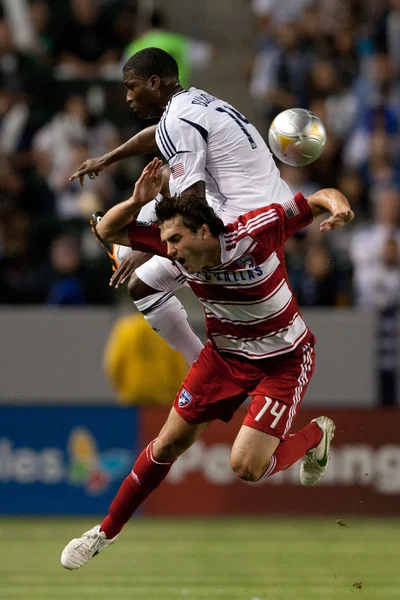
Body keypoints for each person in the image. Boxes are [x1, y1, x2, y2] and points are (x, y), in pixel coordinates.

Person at [61, 158, 354, 570]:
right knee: (167, 444)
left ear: (203, 230)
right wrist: (136, 199)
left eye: (177, 240)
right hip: (223, 358)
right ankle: (104, 531)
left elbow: (321, 197)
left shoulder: (256, 230)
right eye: (166, 242)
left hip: (283, 360)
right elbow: (108, 229)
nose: (171, 251)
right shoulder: (176, 248)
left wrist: (339, 207)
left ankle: (315, 436)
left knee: (246, 467)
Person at [69, 47, 296, 366]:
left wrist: (147, 250)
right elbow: (158, 135)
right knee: (164, 179)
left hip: (243, 230)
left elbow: (192, 203)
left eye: (130, 87)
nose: (127, 98)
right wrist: (108, 158)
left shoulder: (179, 119)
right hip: (272, 212)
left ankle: (204, 364)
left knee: (141, 284)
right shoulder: (195, 101)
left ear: (153, 83)